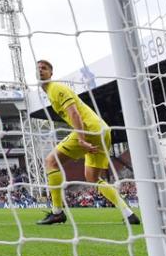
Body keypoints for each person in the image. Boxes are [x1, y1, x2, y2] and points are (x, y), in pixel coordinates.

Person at [35, 59, 140, 226]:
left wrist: (82, 139)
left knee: (51, 161)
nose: (40, 70)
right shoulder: (51, 92)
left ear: (51, 73)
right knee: (92, 177)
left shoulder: (56, 88)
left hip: (89, 129)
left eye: (44, 68)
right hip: (102, 130)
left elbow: (74, 114)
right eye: (38, 68)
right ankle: (129, 214)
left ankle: (57, 212)